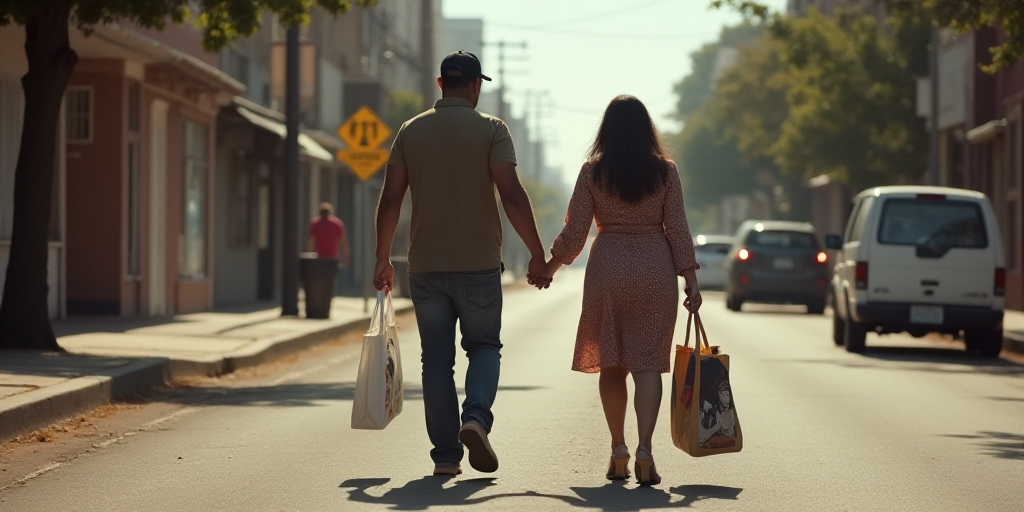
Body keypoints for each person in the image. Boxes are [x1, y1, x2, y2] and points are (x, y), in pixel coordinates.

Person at [373, 50, 547, 477]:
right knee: (484, 346)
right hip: (478, 265)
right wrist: (538, 254)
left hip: (426, 267)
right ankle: (476, 418)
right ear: (475, 86)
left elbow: (391, 198)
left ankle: (446, 458)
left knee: (435, 360)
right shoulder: (491, 130)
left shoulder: (411, 131)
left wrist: (382, 258)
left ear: (439, 85)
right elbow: (512, 195)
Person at [540, 95, 702, 486]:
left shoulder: (592, 173)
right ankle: (646, 448)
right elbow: (677, 228)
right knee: (649, 363)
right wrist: (691, 280)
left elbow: (576, 230)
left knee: (611, 362)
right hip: (654, 267)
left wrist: (549, 268)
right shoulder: (666, 172)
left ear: (606, 130)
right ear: (647, 129)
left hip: (607, 266)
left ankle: (619, 449)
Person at [308, 202, 351, 268]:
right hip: (331, 258)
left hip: (319, 258)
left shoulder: (315, 223)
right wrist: (346, 257)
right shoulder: (336, 223)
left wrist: (310, 256)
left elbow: (311, 243)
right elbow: (343, 242)